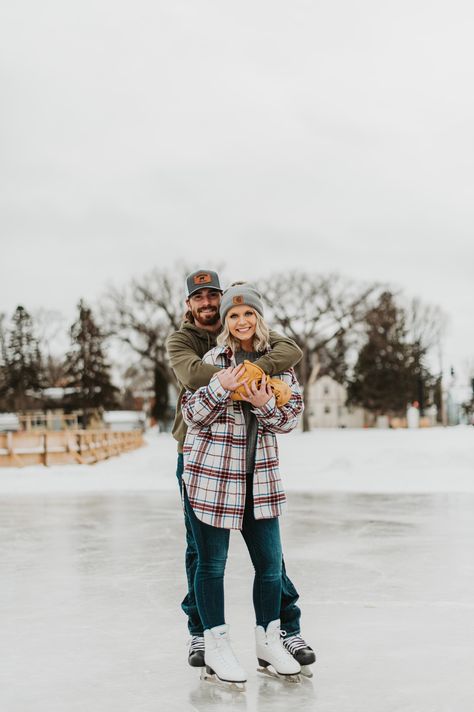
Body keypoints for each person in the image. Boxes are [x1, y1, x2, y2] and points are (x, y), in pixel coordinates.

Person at [166, 270, 316, 676]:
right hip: (208, 470)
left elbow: (289, 414)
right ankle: (207, 636)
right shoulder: (201, 353)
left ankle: (276, 636)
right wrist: (225, 384)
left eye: (245, 311)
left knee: (270, 562)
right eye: (202, 298)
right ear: (190, 304)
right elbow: (191, 406)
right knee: (206, 560)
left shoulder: (275, 358)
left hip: (258, 476)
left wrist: (263, 396)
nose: (212, 305)